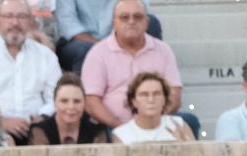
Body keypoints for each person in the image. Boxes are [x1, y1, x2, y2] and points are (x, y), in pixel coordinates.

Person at [81, 0, 191, 137]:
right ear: (113, 22)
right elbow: (91, 101)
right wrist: (123, 128)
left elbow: (175, 94)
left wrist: (151, 123)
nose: (131, 21)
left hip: (157, 122)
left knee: (189, 122)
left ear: (147, 22)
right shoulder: (98, 53)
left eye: (137, 17)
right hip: (113, 126)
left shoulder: (163, 50)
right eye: (124, 17)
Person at [0, 0, 59, 142]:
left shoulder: (46, 56)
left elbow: (56, 98)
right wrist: (1, 121)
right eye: (8, 16)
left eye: (21, 17)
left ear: (31, 21)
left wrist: (42, 117)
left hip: (38, 131)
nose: (15, 23)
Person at [54, 0, 163, 74]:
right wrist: (106, 48)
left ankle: (152, 80)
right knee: (85, 50)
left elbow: (140, 11)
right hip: (77, 42)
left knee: (152, 23)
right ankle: (88, 104)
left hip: (121, 38)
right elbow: (68, 24)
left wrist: (118, 45)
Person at [27, 71, 109, 143]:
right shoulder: (39, 131)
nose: (71, 107)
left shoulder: (97, 132)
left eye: (77, 101)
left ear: (84, 103)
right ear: (55, 103)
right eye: (64, 101)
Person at [112, 69, 190, 142]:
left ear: (164, 99)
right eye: (144, 95)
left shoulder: (179, 125)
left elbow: (198, 155)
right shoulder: (121, 135)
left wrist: (185, 145)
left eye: (156, 94)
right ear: (134, 101)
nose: (151, 100)